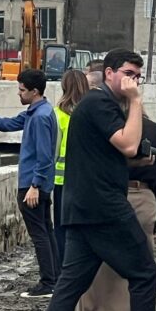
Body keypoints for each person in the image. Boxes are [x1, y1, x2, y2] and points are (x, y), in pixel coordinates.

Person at [39, 48, 156, 311]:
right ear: (109, 73)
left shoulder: (97, 104)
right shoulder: (100, 102)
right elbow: (126, 143)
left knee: (69, 287)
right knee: (145, 275)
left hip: (82, 209)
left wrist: (139, 155)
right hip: (105, 209)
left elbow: (113, 153)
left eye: (137, 77)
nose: (133, 81)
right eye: (128, 74)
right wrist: (136, 101)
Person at [70, 112, 156, 311]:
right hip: (142, 201)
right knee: (139, 281)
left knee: (97, 279)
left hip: (104, 202)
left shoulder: (100, 129)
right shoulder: (155, 130)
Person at [0, 68, 59, 298]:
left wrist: (34, 186)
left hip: (32, 185)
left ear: (34, 91)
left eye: (21, 90)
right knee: (46, 231)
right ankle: (55, 278)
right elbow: (9, 124)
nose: (18, 94)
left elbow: (44, 155)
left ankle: (48, 282)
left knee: (39, 234)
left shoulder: (39, 117)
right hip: (38, 183)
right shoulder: (38, 111)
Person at [53, 69, 90, 264]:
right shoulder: (91, 111)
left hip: (61, 180)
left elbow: (54, 149)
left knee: (61, 227)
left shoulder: (58, 114)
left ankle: (63, 268)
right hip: (87, 180)